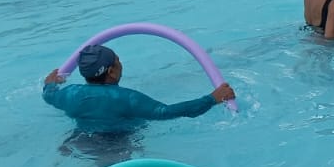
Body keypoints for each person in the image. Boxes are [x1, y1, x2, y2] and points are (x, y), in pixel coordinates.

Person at [42, 44, 234, 133]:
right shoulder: (127, 99)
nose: (121, 64)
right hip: (118, 146)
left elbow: (48, 94)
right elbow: (167, 112)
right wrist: (212, 98)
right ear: (111, 72)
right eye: (118, 61)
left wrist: (51, 82)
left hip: (80, 139)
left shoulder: (69, 94)